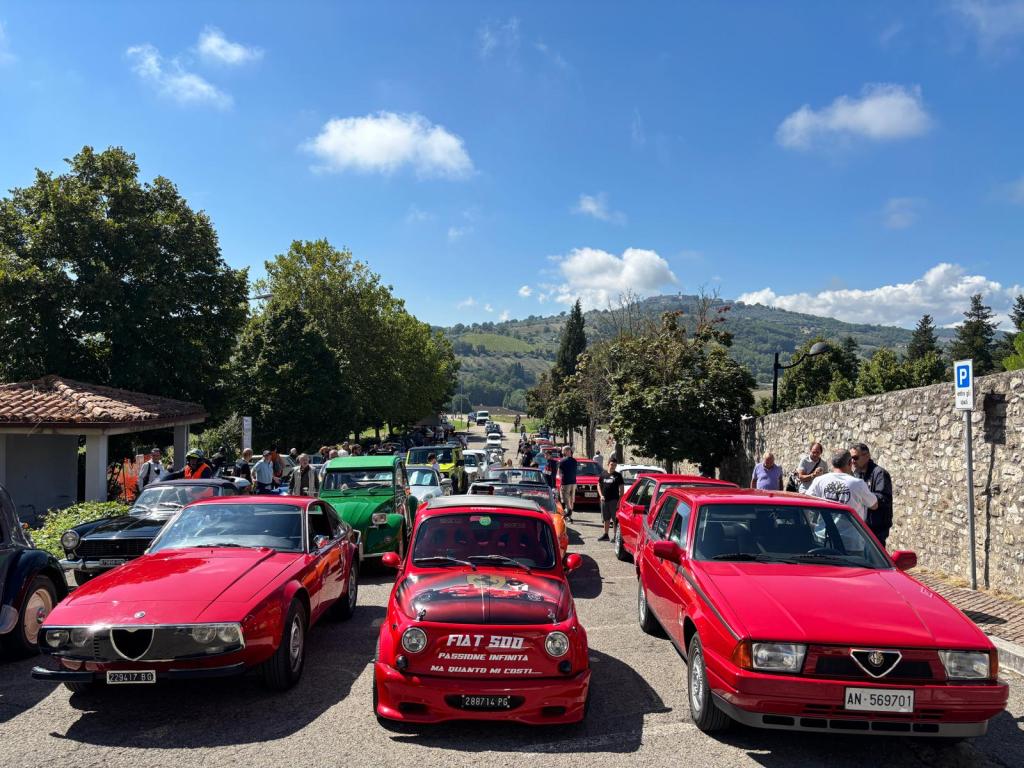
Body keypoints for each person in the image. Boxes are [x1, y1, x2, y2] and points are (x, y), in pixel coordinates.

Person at [804, 450, 878, 522]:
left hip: (823, 531)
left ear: (832, 463)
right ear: (850, 462)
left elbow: (805, 503)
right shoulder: (858, 484)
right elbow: (874, 505)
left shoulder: (819, 480)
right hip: (851, 533)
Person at [851, 442, 894, 547]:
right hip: (861, 527)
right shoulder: (857, 474)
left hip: (876, 528)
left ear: (867, 456)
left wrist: (866, 497)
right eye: (850, 458)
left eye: (855, 457)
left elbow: (883, 499)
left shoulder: (879, 474)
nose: (852, 461)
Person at [597, 457, 624, 542]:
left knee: (615, 519)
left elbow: (621, 489)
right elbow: (598, 484)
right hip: (604, 500)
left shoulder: (618, 476)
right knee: (606, 518)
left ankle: (615, 536)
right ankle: (606, 535)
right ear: (608, 464)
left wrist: (619, 502)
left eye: (615, 465)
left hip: (614, 501)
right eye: (612, 465)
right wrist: (601, 495)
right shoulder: (603, 474)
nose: (613, 467)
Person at [558, 445, 578, 523]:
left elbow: (559, 473)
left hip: (565, 482)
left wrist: (560, 481)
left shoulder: (562, 461)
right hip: (573, 482)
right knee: (571, 499)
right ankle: (569, 516)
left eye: (563, 450)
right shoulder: (574, 461)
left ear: (566, 451)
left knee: (565, 498)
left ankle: (569, 510)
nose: (562, 452)